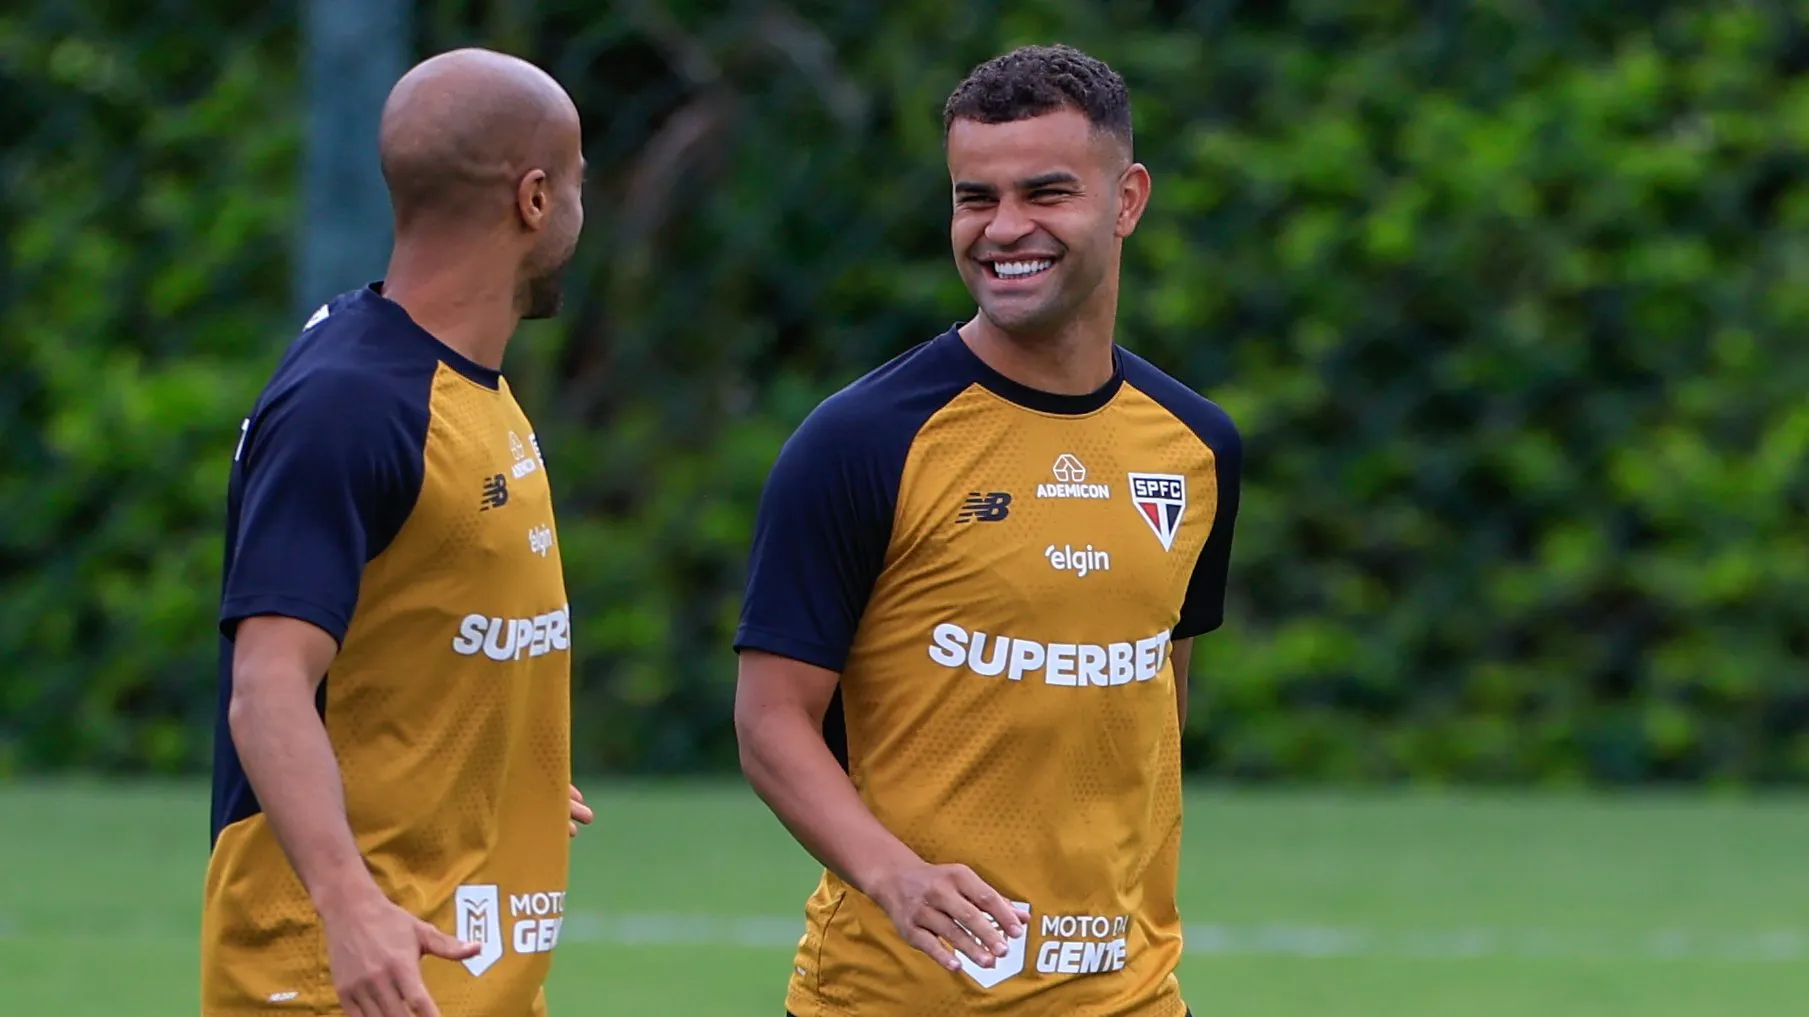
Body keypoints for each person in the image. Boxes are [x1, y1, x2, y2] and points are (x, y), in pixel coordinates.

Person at [732, 43, 1241, 1017]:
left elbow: (1155, 703)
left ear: (1128, 200)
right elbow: (770, 722)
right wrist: (896, 875)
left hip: (1129, 998)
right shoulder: (861, 441)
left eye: (1047, 193)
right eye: (976, 198)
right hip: (889, 999)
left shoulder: (1197, 448)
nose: (1006, 229)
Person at [201, 48, 594, 1017]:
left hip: (465, 971)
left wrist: (491, 750)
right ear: (534, 199)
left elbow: (415, 623)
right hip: (342, 975)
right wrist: (349, 908)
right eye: (581, 183)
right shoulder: (354, 402)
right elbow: (267, 687)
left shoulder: (464, 387)